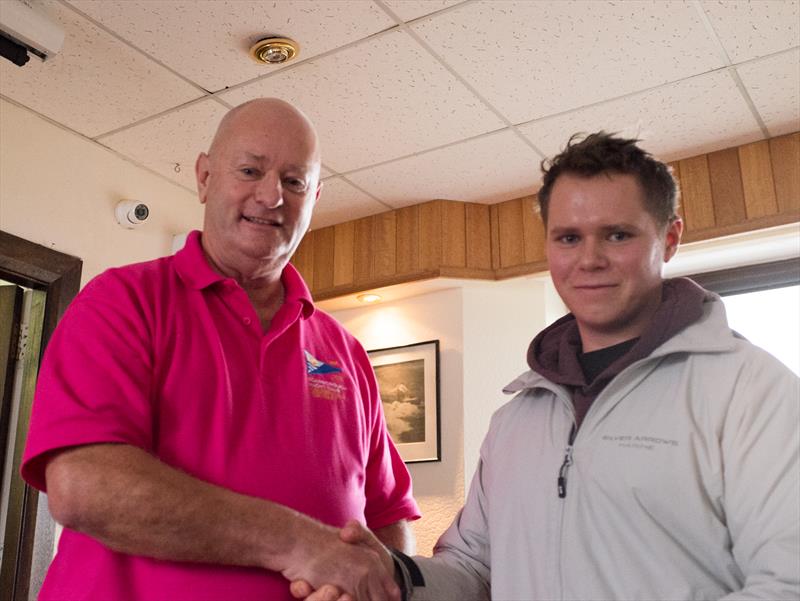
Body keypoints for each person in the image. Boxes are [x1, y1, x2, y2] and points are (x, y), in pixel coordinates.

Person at [293, 132, 800, 600]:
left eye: (618, 235)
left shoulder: (751, 391)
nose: (590, 259)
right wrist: (394, 576)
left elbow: (787, 583)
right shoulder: (516, 419)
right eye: (569, 238)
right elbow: (473, 568)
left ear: (670, 238)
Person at [21, 98, 420, 601]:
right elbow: (85, 487)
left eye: (294, 182)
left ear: (315, 197)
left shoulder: (347, 353)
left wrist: (383, 587)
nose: (272, 195)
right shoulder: (121, 302)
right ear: (205, 177)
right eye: (250, 170)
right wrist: (298, 543)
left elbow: (388, 516)